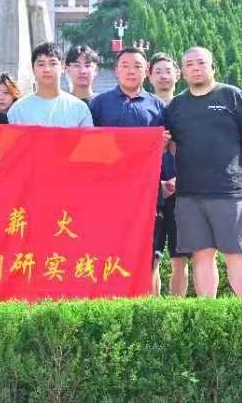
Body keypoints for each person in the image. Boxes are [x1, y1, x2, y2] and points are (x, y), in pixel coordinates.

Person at [165, 46, 242, 298]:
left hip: (227, 191)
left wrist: (229, 162)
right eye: (189, 64)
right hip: (190, 193)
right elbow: (172, 145)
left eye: (201, 63)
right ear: (182, 72)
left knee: (236, 253)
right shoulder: (177, 105)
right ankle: (209, 309)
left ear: (212, 67)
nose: (195, 68)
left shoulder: (232, 96)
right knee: (201, 255)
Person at [89, 46, 168, 296]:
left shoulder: (157, 106)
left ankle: (150, 307)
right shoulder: (99, 104)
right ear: (116, 70)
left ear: (146, 72)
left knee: (150, 256)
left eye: (137, 66)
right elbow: (88, 148)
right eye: (125, 66)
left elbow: (167, 148)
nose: (131, 71)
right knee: (107, 252)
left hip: (147, 193)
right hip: (109, 193)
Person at [148, 52, 189, 297]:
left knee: (180, 258)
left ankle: (176, 309)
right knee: (150, 258)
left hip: (182, 193)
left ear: (178, 75)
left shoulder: (187, 107)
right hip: (150, 193)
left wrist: (180, 180)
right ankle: (153, 309)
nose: (163, 76)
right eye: (158, 71)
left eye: (168, 71)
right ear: (149, 76)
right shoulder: (145, 107)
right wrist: (156, 183)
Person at [7, 42, 93, 128]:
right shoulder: (18, 110)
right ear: (33, 69)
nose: (47, 69)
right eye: (41, 64)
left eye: (53, 63)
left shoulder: (79, 108)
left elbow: (88, 137)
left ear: (62, 67)